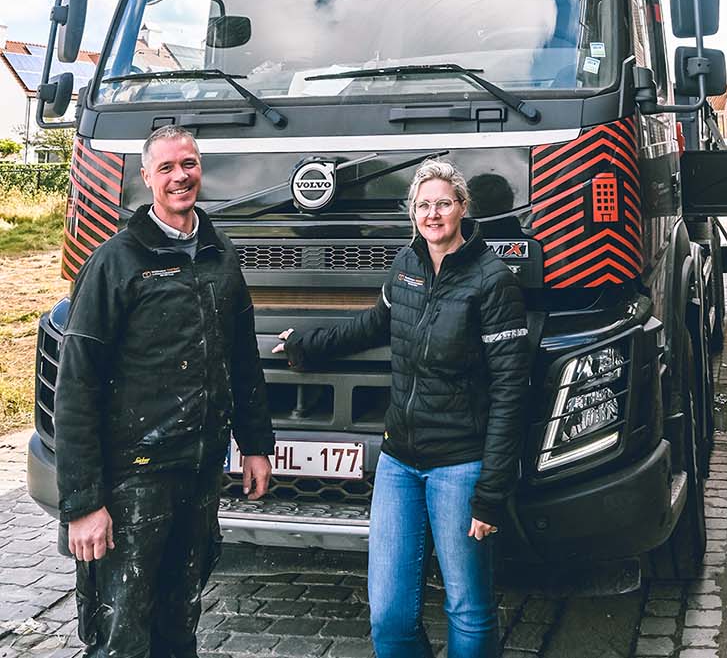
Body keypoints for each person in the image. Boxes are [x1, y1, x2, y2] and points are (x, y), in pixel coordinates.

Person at [274, 158, 529, 658]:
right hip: (398, 462)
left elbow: (510, 390)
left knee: (468, 610)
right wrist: (308, 344)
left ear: (462, 208)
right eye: (423, 205)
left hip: (460, 466)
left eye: (443, 204)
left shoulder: (491, 281)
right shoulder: (406, 266)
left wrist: (491, 493)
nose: (433, 214)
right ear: (412, 211)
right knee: (389, 617)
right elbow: (372, 325)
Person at [55, 125, 274, 658]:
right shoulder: (117, 261)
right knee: (121, 635)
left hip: (198, 473)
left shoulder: (219, 254)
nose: (181, 176)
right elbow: (76, 386)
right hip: (133, 479)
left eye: (189, 164)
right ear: (147, 177)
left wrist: (256, 444)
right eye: (168, 168)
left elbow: (241, 359)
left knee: (179, 624)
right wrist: (83, 504)